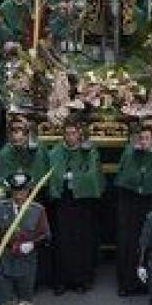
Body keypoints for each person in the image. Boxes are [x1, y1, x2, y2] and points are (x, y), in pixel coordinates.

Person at [47, 119, 104, 294]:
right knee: (62, 240)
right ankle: (61, 280)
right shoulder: (56, 152)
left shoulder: (89, 151)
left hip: (82, 202)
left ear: (80, 133)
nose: (70, 137)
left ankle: (81, 280)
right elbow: (52, 173)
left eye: (74, 133)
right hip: (63, 200)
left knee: (81, 241)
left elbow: (93, 175)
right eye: (67, 133)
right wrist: (62, 178)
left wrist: (75, 178)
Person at [114, 125, 152, 296]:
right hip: (131, 204)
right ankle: (127, 283)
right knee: (129, 243)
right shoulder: (129, 153)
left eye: (147, 138)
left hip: (150, 203)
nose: (143, 141)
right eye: (141, 138)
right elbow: (123, 177)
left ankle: (148, 283)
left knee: (149, 241)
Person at [0, 172, 50, 305]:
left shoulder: (37, 210)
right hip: (4, 264)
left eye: (22, 191)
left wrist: (33, 245)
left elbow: (46, 237)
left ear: (28, 191)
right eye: (15, 191)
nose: (18, 195)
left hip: (26, 266)